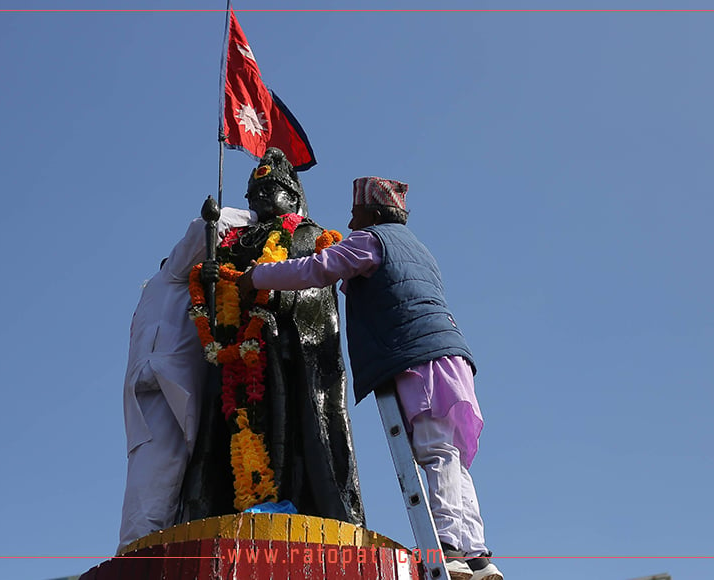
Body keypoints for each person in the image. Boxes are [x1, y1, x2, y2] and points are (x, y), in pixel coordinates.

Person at [239, 176, 503, 580]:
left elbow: (318, 268)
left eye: (355, 211)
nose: (349, 218)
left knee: (435, 452)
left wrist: (256, 277)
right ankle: (476, 554)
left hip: (420, 356)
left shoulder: (373, 241)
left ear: (374, 214)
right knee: (450, 456)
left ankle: (448, 547)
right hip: (451, 356)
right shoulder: (418, 249)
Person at [178, 148, 365, 528]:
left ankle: (291, 500)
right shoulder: (234, 241)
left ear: (292, 197)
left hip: (284, 350)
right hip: (237, 357)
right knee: (232, 427)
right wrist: (213, 281)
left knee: (291, 427)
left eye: (271, 190)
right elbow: (217, 301)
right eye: (254, 193)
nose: (260, 198)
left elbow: (314, 289)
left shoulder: (308, 234)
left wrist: (274, 294)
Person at [117, 205, 255, 555]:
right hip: (167, 384)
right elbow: (210, 224)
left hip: (159, 386)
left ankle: (143, 554)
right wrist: (255, 216)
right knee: (157, 483)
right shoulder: (173, 275)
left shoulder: (151, 296)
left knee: (171, 485)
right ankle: (136, 558)